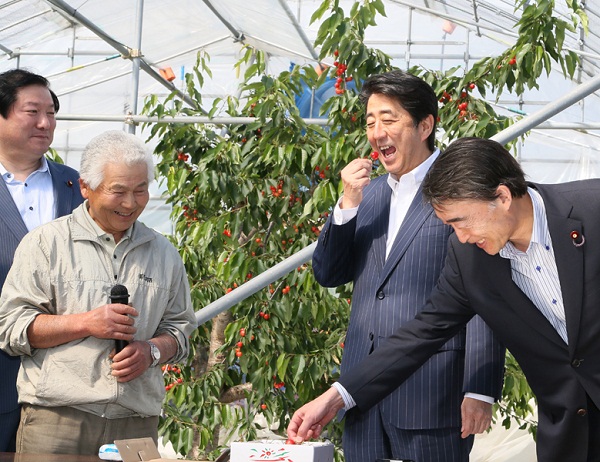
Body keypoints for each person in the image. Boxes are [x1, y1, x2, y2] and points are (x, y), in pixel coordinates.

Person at [288, 136, 600, 462]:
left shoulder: (592, 209)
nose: (460, 237)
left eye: (460, 222)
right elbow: (422, 332)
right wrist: (335, 398)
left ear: (503, 197)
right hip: (570, 434)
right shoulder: (469, 258)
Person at [310, 71, 505, 462]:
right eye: (369, 122)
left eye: (389, 118)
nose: (377, 131)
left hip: (431, 395)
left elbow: (483, 292)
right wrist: (348, 203)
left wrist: (479, 388)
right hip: (361, 392)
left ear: (425, 125)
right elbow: (329, 274)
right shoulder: (370, 194)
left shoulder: (458, 190)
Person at [0, 130, 197, 455]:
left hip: (136, 423)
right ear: (85, 188)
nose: (131, 203)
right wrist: (86, 323)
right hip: (58, 422)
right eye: (118, 191)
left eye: (141, 190)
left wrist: (152, 351)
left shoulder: (163, 252)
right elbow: (10, 328)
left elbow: (181, 330)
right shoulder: (46, 244)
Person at [0, 68, 84, 452]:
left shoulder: (77, 186)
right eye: (32, 112)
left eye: (51, 113)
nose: (45, 123)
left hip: (64, 376)